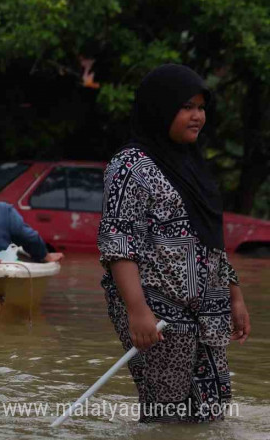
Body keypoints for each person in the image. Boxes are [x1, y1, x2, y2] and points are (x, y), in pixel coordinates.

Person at [98, 64, 251, 422]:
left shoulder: (193, 166)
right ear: (160, 108)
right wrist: (137, 311)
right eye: (186, 107)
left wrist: (236, 297)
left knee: (211, 413)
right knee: (166, 416)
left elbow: (211, 241)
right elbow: (118, 241)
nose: (197, 116)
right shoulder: (130, 165)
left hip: (208, 310)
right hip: (156, 308)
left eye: (201, 107)